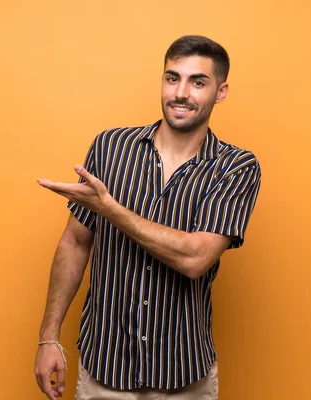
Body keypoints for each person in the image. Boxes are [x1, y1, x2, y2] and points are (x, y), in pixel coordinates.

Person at [34, 35, 261, 400]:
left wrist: (110, 209)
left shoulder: (235, 168)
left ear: (220, 92)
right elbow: (75, 242)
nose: (181, 93)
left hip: (184, 376)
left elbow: (195, 258)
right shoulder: (110, 148)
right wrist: (49, 337)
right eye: (172, 78)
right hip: (103, 371)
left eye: (197, 82)